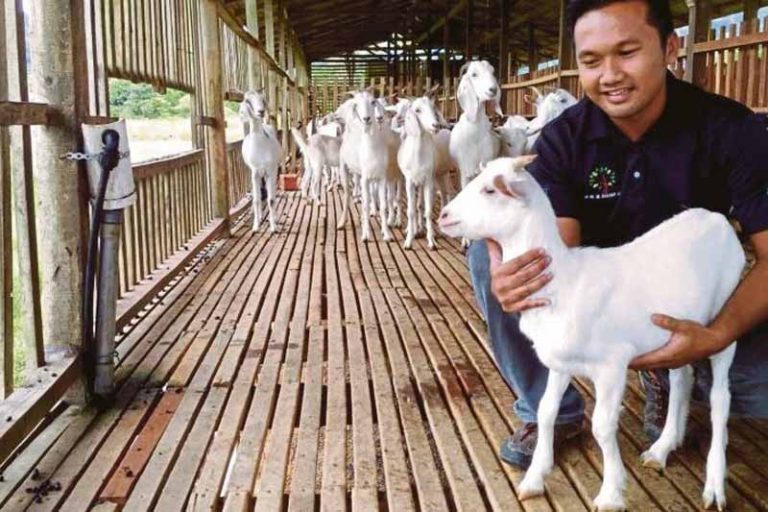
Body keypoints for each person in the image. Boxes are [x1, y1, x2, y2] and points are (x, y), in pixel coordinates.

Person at [467, 0, 768, 469]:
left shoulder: (730, 129)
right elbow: (556, 256)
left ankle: (671, 375)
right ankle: (551, 409)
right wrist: (516, 279)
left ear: (670, 48)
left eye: (627, 52)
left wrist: (716, 334)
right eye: (591, 61)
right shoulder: (563, 140)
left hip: (686, 292)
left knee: (759, 387)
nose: (609, 74)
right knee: (493, 260)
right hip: (602, 290)